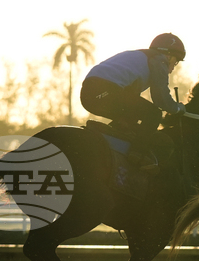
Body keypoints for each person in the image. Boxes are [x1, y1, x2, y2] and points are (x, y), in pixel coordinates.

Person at [80, 33, 187, 167]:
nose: (171, 69)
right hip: (106, 91)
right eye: (175, 62)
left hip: (88, 94)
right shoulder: (159, 60)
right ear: (168, 56)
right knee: (153, 114)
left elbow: (132, 100)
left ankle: (113, 147)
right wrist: (178, 108)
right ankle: (138, 155)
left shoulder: (139, 57)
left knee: (130, 118)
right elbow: (161, 100)